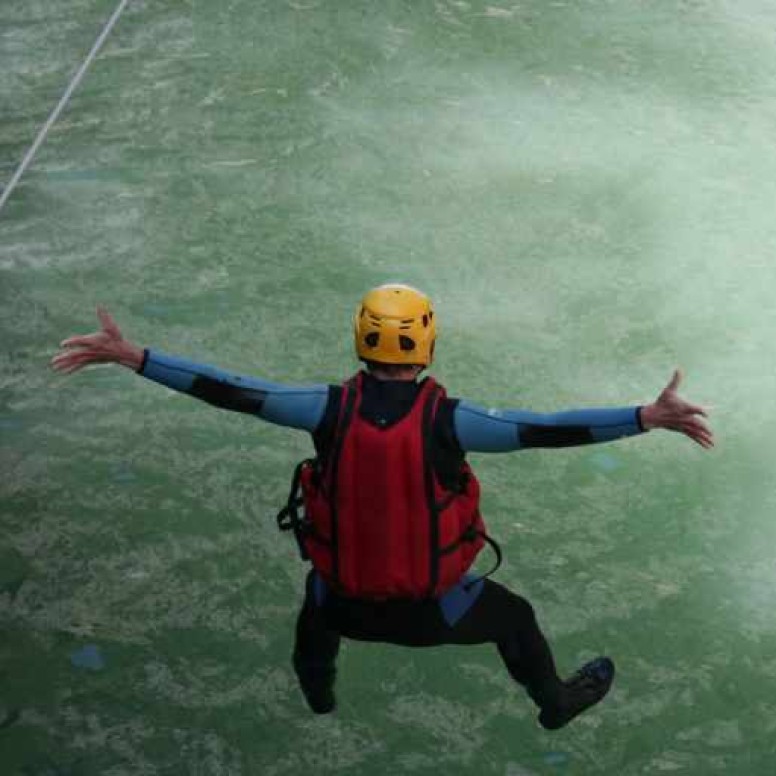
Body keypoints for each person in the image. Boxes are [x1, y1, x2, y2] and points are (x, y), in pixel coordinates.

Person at [50, 284, 714, 730]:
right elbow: (545, 429)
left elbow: (229, 391)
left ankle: (318, 698)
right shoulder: (453, 422)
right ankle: (557, 705)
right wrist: (646, 416)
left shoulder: (323, 409)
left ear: (360, 341)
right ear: (426, 344)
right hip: (437, 615)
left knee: (314, 608)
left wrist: (132, 355)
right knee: (517, 619)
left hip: (344, 606)